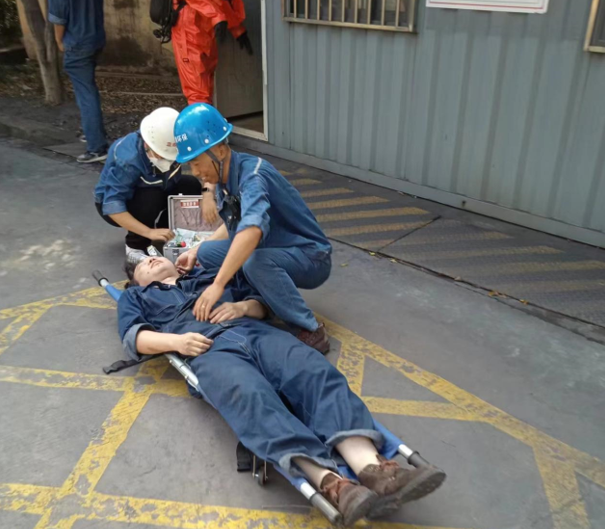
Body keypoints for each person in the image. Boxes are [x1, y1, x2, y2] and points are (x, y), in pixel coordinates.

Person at [118, 254, 446, 526]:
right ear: (136, 281)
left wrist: (242, 307)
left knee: (313, 372)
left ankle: (372, 469)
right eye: (143, 263)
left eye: (154, 255)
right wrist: (177, 342)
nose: (151, 259)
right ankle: (335, 486)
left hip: (256, 332)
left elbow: (262, 304)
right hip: (207, 349)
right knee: (250, 397)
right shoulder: (137, 297)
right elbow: (135, 337)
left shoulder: (211, 275)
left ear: (177, 263)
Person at [173, 103, 333, 354]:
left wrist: (218, 284)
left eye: (196, 162)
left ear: (220, 150)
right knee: (207, 253)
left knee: (255, 262)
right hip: (273, 247)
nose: (195, 172)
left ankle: (310, 328)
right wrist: (196, 249)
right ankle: (260, 301)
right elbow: (234, 225)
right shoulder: (224, 179)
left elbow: (252, 231)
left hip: (310, 256)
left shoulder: (253, 177)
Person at [94, 107, 203, 263]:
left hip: (162, 185)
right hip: (119, 203)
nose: (169, 159)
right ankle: (135, 246)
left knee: (190, 184)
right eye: (163, 155)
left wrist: (207, 192)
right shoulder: (128, 159)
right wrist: (148, 232)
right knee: (151, 196)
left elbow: (205, 160)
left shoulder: (178, 140)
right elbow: (112, 204)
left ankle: (168, 232)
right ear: (148, 144)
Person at [48, 0, 108, 163]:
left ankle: (96, 147)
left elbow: (59, 20)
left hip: (77, 44)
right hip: (96, 39)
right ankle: (94, 133)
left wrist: (59, 41)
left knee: (86, 94)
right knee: (89, 89)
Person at [171, 0, 252, 106]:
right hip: (191, 23)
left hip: (206, 23)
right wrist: (219, 18)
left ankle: (205, 113)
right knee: (197, 91)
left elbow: (220, 2)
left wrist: (236, 28)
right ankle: (201, 114)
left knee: (206, 84)